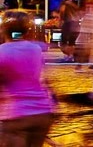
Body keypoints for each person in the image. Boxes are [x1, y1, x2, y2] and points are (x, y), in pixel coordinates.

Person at [0, 12, 56, 146]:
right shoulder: (36, 49)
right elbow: (42, 79)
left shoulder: (2, 52)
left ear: (4, 29)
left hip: (16, 115)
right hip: (43, 112)